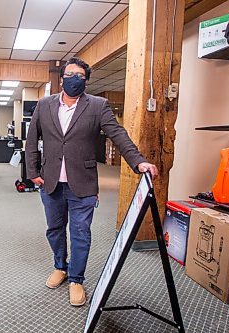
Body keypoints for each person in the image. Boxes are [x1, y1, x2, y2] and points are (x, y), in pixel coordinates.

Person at [25, 57, 158, 307]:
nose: (75, 78)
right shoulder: (44, 105)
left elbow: (118, 134)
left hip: (83, 184)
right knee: (54, 229)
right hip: (50, 181)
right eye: (70, 74)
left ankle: (76, 279)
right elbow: (32, 141)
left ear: (86, 80)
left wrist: (138, 161)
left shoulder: (98, 105)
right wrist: (32, 172)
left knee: (80, 233)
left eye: (80, 76)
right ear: (62, 77)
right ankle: (59, 266)